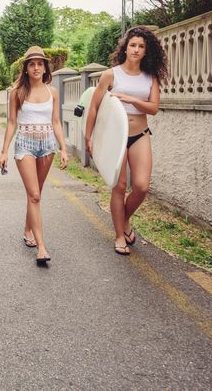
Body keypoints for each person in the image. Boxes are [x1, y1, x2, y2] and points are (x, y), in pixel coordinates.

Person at [84, 26, 167, 255]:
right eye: (133, 45)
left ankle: (124, 219)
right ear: (125, 47)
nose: (136, 50)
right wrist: (88, 137)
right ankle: (120, 235)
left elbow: (154, 108)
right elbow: (94, 107)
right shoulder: (111, 74)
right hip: (115, 136)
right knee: (119, 186)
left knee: (141, 186)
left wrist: (129, 98)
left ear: (146, 51)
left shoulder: (150, 77)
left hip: (140, 134)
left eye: (141, 46)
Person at [0, 46, 68, 266]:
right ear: (26, 68)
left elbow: (56, 121)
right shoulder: (17, 92)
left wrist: (63, 148)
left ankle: (28, 228)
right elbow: (11, 123)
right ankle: (41, 247)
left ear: (45, 67)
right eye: (32, 64)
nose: (36, 67)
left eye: (40, 63)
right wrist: (4, 151)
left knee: (36, 194)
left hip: (47, 144)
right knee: (35, 195)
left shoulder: (52, 92)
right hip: (25, 144)